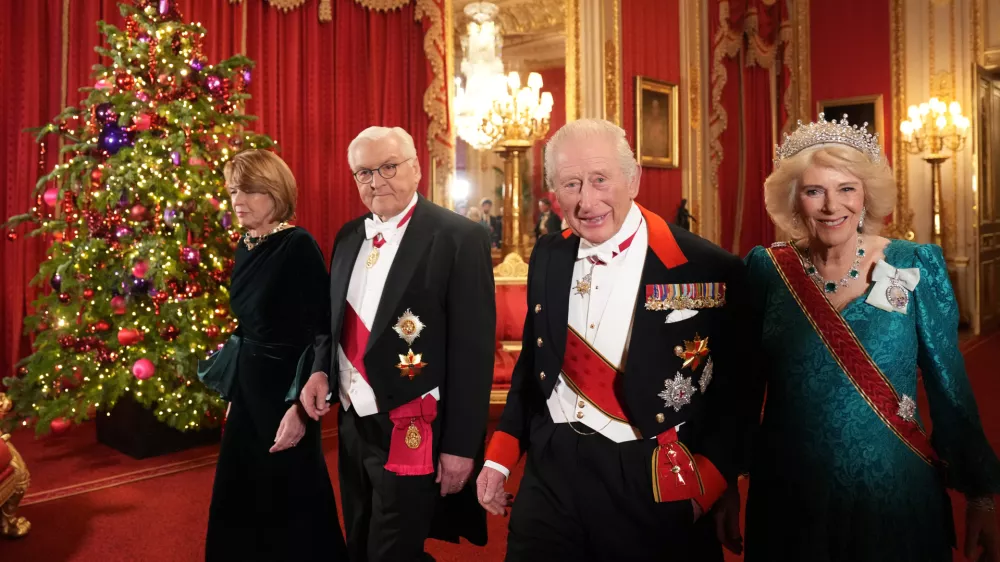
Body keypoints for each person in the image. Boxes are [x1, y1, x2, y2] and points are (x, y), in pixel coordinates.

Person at [476, 118, 750, 561]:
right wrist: (500, 455)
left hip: (646, 472)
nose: (587, 201)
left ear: (633, 179)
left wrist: (707, 486)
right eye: (571, 184)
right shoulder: (548, 254)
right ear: (554, 191)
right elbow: (535, 362)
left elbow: (737, 396)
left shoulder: (707, 268)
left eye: (600, 179)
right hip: (552, 467)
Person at [735, 114, 1000, 561]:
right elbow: (740, 390)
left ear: (866, 196)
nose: (831, 206)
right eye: (814, 190)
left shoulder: (913, 263)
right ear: (794, 201)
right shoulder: (768, 269)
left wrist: (981, 495)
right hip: (791, 496)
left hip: (895, 495)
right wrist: (725, 482)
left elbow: (950, 387)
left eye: (846, 189)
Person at [297, 126, 496, 562]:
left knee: (394, 549)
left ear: (417, 169)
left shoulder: (459, 238)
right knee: (361, 537)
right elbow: (334, 325)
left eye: (389, 167)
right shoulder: (349, 236)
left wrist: (461, 447)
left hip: (413, 423)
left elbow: (473, 354)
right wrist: (320, 371)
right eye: (364, 172)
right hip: (352, 423)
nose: (376, 180)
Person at [205, 149, 347, 561]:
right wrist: (234, 393)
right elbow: (245, 328)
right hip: (248, 393)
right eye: (233, 190)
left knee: (293, 502)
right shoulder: (245, 244)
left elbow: (321, 332)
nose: (237, 200)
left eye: (248, 190)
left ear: (275, 191)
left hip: (288, 393)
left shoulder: (297, 245)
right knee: (239, 495)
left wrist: (301, 410)